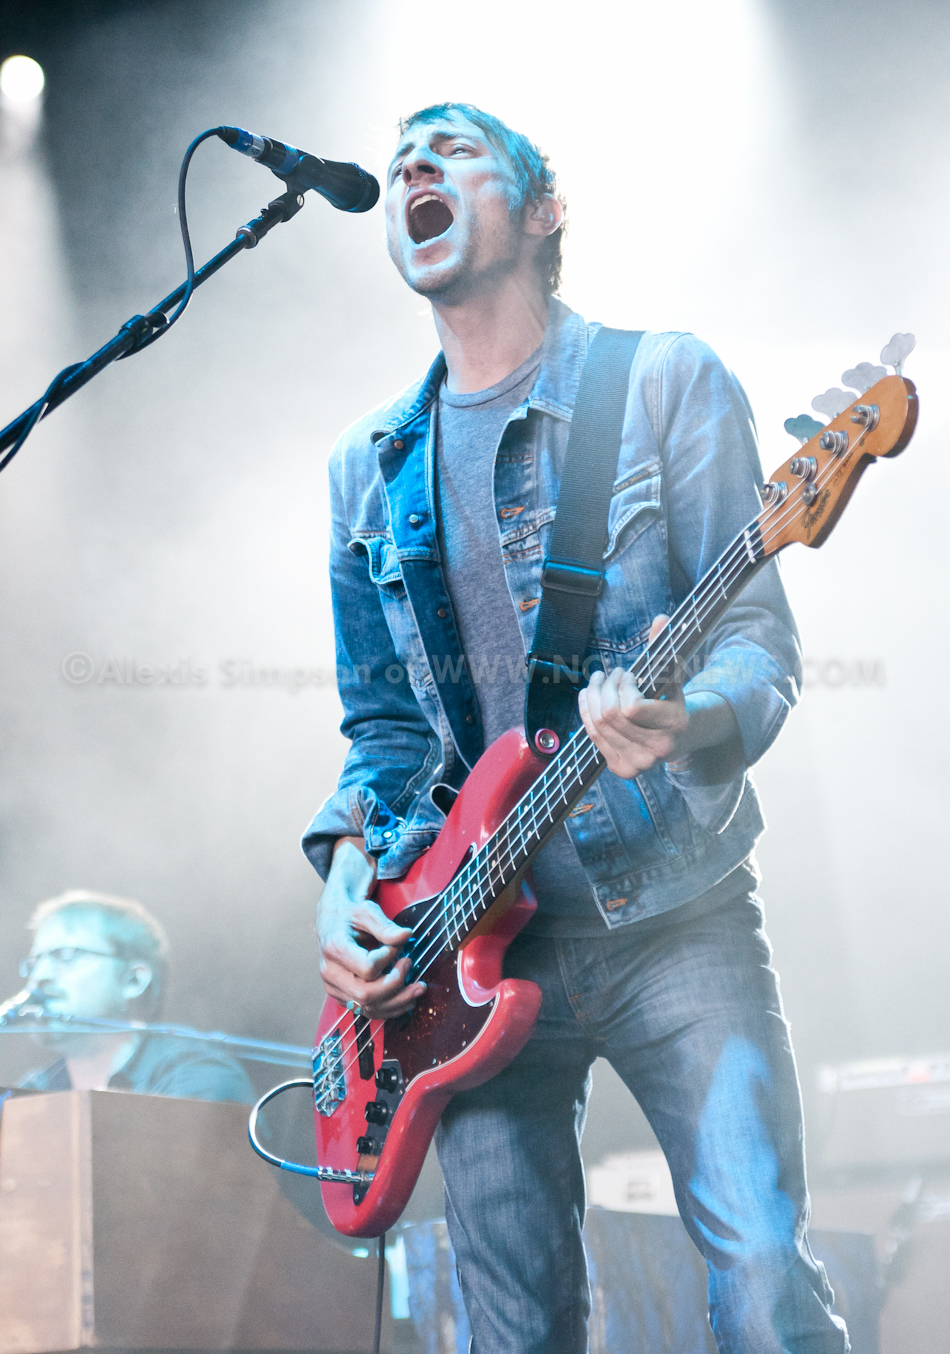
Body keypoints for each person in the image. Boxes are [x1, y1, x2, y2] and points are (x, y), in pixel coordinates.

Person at [302, 103, 847, 1354]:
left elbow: (752, 636)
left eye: (453, 149)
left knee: (762, 1278)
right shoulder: (364, 466)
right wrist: (345, 876)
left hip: (671, 914)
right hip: (456, 956)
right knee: (512, 1326)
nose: (413, 167)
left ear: (542, 212)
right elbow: (382, 727)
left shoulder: (660, 379)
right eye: (401, 160)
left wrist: (685, 719)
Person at [16, 889, 253, 1103]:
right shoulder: (34, 1089)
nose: (39, 976)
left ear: (134, 980)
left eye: (67, 955)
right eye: (34, 963)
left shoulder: (196, 1076)